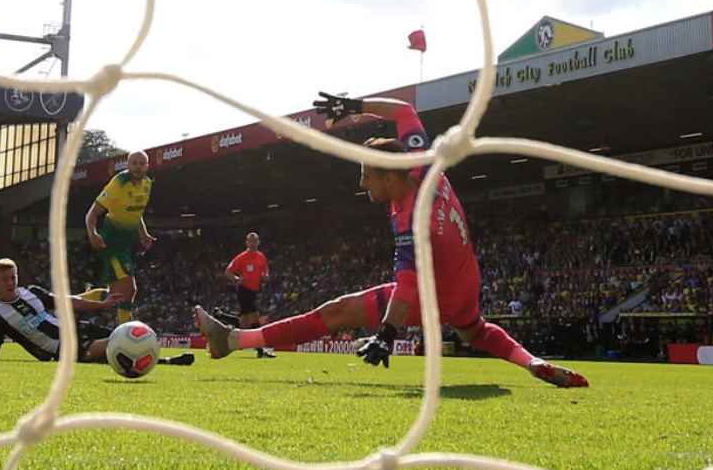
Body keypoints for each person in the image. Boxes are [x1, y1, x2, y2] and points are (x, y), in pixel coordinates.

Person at [194, 92, 588, 389]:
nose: (362, 185)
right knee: (474, 329)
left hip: (433, 291)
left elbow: (408, 284)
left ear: (387, 175)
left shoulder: (409, 217)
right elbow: (404, 111)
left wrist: (386, 334)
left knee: (335, 313)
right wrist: (355, 105)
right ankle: (532, 362)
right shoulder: (419, 162)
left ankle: (232, 341)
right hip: (465, 281)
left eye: (367, 176)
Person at [0, 258, 193, 366]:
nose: (10, 282)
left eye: (13, 277)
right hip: (63, 349)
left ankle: (164, 360)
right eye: (4, 279)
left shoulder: (31, 292)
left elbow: (70, 302)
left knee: (122, 341)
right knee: (119, 344)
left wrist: (101, 304)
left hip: (78, 330)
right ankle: (167, 360)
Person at [83, 150, 155, 324]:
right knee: (129, 288)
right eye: (134, 163)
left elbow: (136, 213)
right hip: (111, 241)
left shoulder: (147, 184)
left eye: (141, 163)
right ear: (127, 165)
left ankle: (72, 301)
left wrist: (143, 234)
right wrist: (92, 233)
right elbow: (92, 213)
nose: (138, 167)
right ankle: (124, 329)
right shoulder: (118, 183)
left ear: (147, 166)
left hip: (127, 243)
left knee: (117, 294)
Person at [225, 232, 274, 358]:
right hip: (244, 290)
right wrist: (236, 279)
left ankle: (221, 319)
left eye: (255, 241)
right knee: (254, 318)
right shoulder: (242, 257)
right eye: (250, 241)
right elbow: (228, 272)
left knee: (244, 322)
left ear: (258, 242)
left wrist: (265, 276)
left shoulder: (261, 257)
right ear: (246, 243)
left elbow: (265, 271)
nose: (253, 243)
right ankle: (260, 350)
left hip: (254, 291)